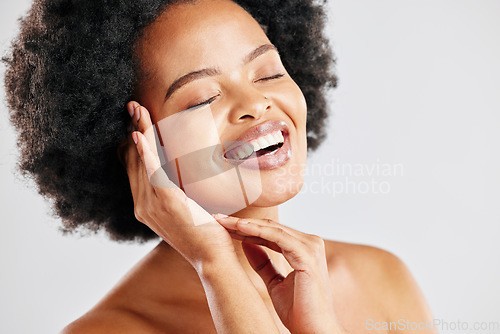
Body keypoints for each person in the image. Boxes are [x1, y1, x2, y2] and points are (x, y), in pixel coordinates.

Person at [3, 0, 436, 332]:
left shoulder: (378, 278)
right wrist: (218, 267)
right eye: (203, 98)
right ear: (141, 152)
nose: (255, 104)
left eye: (266, 73)